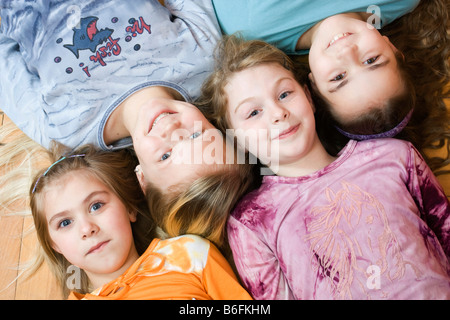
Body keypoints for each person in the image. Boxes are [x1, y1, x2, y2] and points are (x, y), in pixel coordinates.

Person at [199, 36, 450, 299]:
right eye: (253, 113)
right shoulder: (252, 220)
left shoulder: (394, 156)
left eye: (285, 94)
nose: (277, 112)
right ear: (235, 138)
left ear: (309, 96)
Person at [210, 0, 450, 169]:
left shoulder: (250, 25)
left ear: (311, 87)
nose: (346, 51)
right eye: (371, 60)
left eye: (338, 78)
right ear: (394, 49)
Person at [29, 143, 252, 300]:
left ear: (130, 208)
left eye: (96, 206)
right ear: (55, 246)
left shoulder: (187, 255)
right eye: (65, 223)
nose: (87, 229)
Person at [0, 0, 220, 152]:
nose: (173, 132)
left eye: (166, 156)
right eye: (195, 136)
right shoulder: (205, 62)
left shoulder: (65, 134)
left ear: (142, 177)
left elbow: (5, 65)